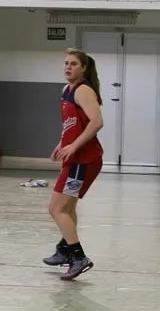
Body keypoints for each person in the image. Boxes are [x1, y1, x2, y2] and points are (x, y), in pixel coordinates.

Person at [42, 48, 103, 280]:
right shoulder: (66, 90)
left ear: (84, 68)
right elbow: (71, 123)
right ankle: (65, 250)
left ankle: (78, 257)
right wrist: (61, 143)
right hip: (74, 158)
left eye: (74, 64)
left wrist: (74, 147)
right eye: (66, 63)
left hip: (84, 160)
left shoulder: (84, 90)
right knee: (67, 209)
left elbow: (97, 123)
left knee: (56, 209)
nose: (68, 67)